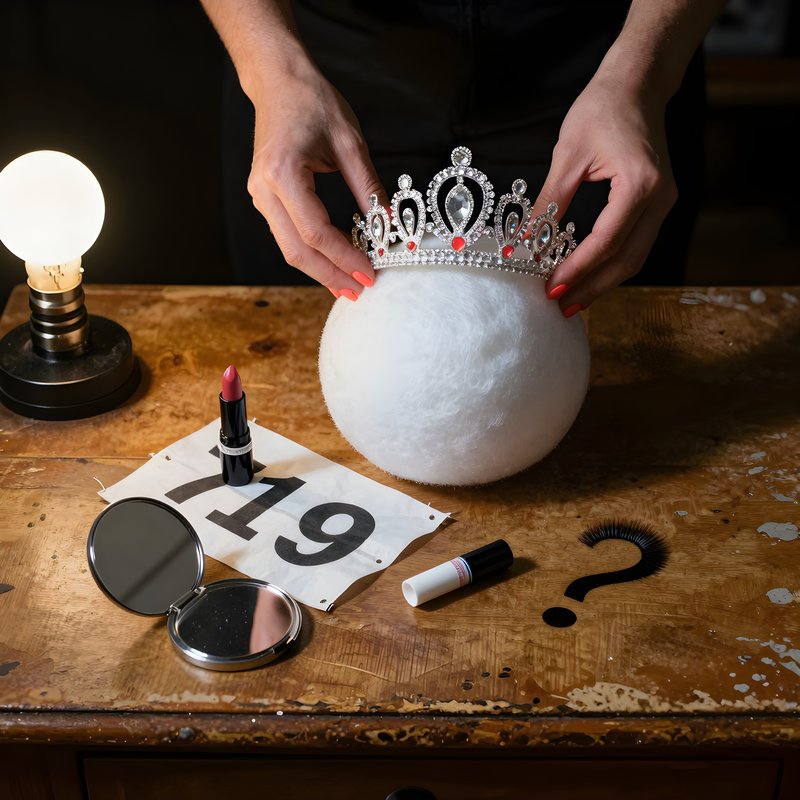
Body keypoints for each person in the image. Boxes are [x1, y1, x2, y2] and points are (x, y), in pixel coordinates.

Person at [200, 0, 725, 315]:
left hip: (608, 54)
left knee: (616, 330)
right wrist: (272, 71)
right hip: (312, 55)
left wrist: (646, 73)